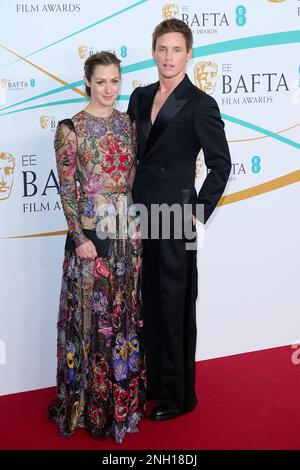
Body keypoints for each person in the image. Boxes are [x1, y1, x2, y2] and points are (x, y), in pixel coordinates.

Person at [127, 19, 231, 421]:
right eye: (162, 49)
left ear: (189, 54)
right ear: (153, 51)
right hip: (139, 213)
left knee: (175, 303)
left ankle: (177, 396)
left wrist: (198, 214)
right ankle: (150, 384)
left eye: (176, 50)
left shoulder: (201, 104)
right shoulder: (139, 97)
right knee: (145, 300)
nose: (168, 57)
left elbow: (220, 165)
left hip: (175, 216)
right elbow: (132, 155)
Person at [48, 51, 146, 444]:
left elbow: (132, 179)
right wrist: (79, 238)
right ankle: (85, 406)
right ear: (88, 81)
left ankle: (119, 405)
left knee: (122, 323)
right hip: (90, 244)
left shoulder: (128, 125)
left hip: (126, 240)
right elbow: (68, 189)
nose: (108, 89)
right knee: (90, 324)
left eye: (115, 81)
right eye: (101, 81)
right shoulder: (70, 129)